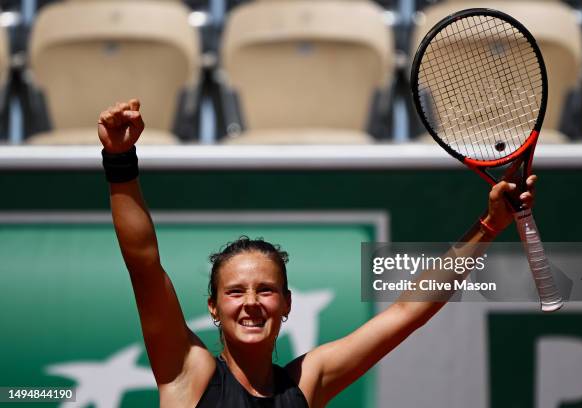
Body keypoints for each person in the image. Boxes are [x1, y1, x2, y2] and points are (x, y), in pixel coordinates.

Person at [98, 100, 536, 408]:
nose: (251, 302)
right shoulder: (186, 373)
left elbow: (407, 311)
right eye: (235, 292)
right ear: (213, 307)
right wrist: (120, 161)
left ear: (287, 304)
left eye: (266, 289)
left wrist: (490, 226)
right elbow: (143, 262)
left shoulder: (307, 383)